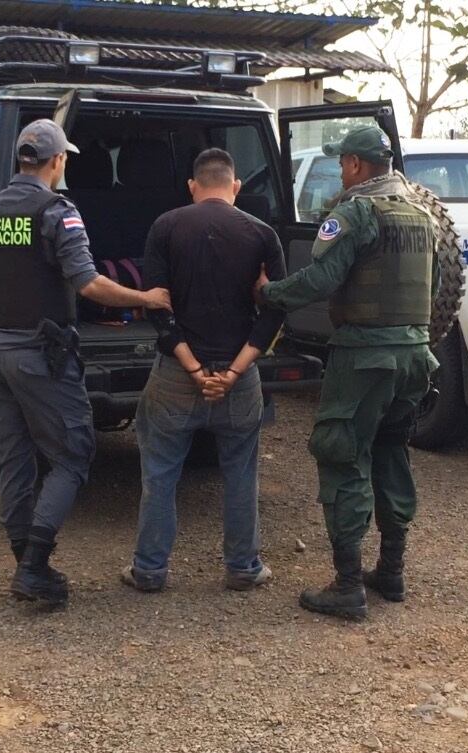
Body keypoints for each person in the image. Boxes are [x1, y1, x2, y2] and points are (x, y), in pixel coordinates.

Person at [0, 119, 171, 607]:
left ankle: (26, 565)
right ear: (56, 162)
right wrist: (147, 297)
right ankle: (34, 568)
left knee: (13, 460)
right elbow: (89, 284)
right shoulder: (58, 211)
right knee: (73, 455)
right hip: (41, 356)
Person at [254, 125, 439, 621]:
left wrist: (269, 292)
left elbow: (321, 279)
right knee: (391, 453)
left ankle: (348, 584)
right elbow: (437, 288)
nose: (340, 171)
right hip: (415, 356)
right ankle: (392, 572)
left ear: (356, 165)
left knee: (343, 453)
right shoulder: (422, 215)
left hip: (364, 357)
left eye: (341, 164)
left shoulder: (355, 211)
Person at [120, 148, 286, 593]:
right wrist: (232, 372)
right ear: (236, 186)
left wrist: (193, 368)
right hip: (239, 378)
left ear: (193, 187)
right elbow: (274, 311)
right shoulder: (263, 234)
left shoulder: (166, 227)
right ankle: (243, 568)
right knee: (240, 473)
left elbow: (158, 307)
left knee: (159, 474)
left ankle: (150, 570)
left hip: (176, 375)